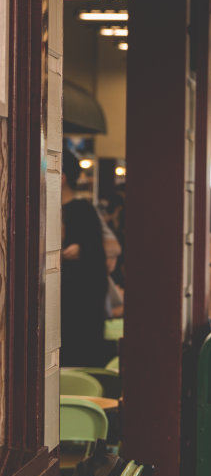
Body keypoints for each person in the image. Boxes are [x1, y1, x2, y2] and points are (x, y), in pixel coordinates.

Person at [61, 153, 110, 366]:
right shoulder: (43, 209)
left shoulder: (82, 210)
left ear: (62, 177)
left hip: (81, 308)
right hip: (58, 305)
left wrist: (82, 251)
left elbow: (99, 254)